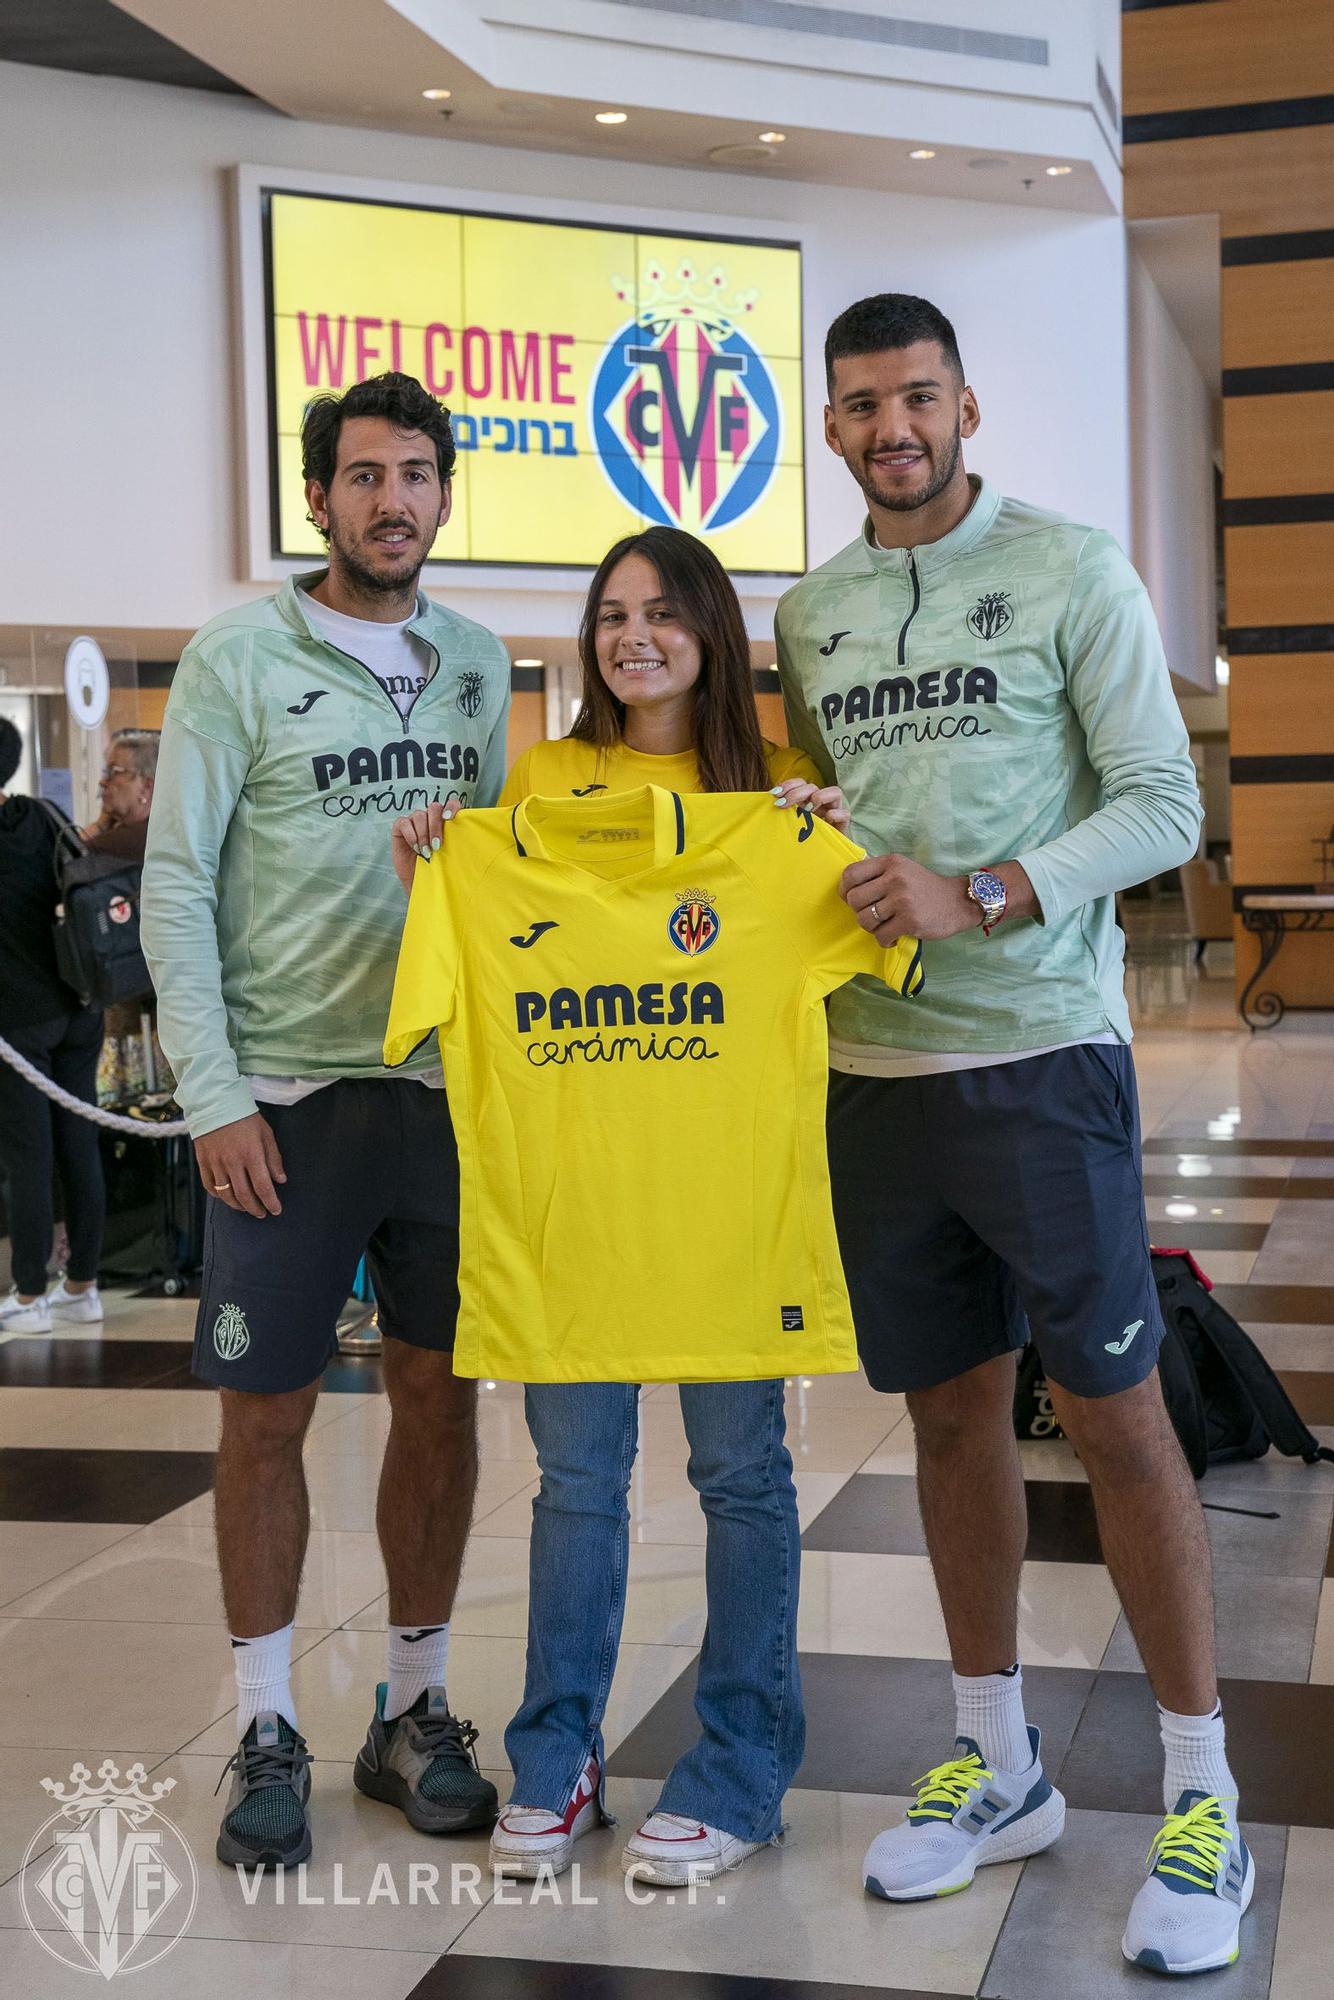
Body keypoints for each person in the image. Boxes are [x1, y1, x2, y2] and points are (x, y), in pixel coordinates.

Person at [776, 295, 1243, 1978]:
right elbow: (830, 815)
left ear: (962, 402)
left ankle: (1199, 1793)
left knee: (1115, 1425)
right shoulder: (808, 612)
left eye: (911, 397)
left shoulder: (1071, 568)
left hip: (1040, 1058)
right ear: (827, 428)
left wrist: (981, 893)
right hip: (872, 1079)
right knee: (948, 1426)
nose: (886, 427)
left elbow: (1159, 804)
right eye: (856, 406)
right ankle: (1001, 1763)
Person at [391, 525, 847, 1888]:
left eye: (660, 613)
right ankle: (556, 1757)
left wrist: (835, 848)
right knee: (577, 1488)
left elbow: (866, 950)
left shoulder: (777, 799)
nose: (631, 635)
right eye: (610, 614)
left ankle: (742, 1767)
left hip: (721, 1222)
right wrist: (438, 866)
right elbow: (453, 971)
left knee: (740, 1480)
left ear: (712, 632)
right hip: (569, 1222)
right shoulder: (537, 784)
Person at [142, 371, 511, 1870]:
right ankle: (266, 1723)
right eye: (364, 476)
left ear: (441, 494)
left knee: (439, 1400)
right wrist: (214, 1095)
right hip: (282, 1106)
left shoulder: (482, 664)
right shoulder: (239, 656)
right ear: (318, 499)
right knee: (265, 1416)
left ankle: (412, 1708)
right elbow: (174, 883)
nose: (393, 501)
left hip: (439, 1102)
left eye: (417, 475)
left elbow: (505, 892)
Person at [0, 717, 107, 1334]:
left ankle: (29, 1294)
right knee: (79, 1146)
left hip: (18, 1024)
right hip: (79, 1007)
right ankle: (83, 1286)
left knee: (27, 1159)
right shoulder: (42, 817)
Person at [81, 727, 159, 860]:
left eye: (115, 772)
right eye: (106, 772)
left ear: (146, 787)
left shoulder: (131, 840)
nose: (103, 781)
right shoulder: (163, 829)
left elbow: (66, 860)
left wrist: (99, 825)